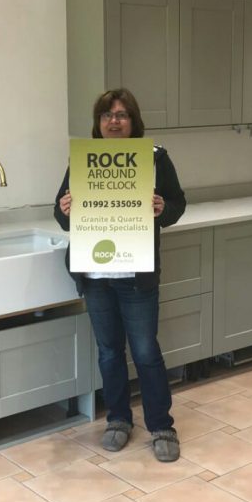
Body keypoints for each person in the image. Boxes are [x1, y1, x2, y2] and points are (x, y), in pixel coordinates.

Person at [54, 88, 187, 462]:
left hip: (135, 275)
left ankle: (161, 426)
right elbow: (62, 213)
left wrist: (162, 207)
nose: (114, 121)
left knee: (145, 351)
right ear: (98, 124)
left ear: (134, 122)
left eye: (122, 114)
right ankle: (118, 420)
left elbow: (178, 204)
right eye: (107, 115)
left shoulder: (155, 159)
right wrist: (65, 208)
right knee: (110, 352)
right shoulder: (84, 160)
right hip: (96, 275)